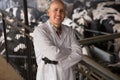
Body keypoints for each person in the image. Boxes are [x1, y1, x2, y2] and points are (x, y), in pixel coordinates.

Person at [32, 0, 83, 80]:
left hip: (67, 74)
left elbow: (79, 53)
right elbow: (54, 54)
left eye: (61, 11)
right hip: (48, 74)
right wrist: (69, 51)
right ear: (48, 12)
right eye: (55, 10)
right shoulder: (40, 31)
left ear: (65, 14)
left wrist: (62, 63)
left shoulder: (69, 31)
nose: (59, 13)